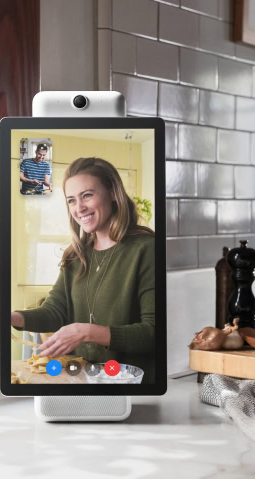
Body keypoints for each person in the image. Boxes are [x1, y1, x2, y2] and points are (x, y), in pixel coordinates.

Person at [11, 157, 156, 382]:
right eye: (71, 200)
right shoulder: (75, 255)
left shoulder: (146, 249)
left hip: (132, 385)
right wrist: (10, 317)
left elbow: (152, 333)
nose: (79, 208)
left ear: (112, 193)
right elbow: (54, 313)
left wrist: (87, 332)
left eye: (87, 195)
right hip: (84, 380)